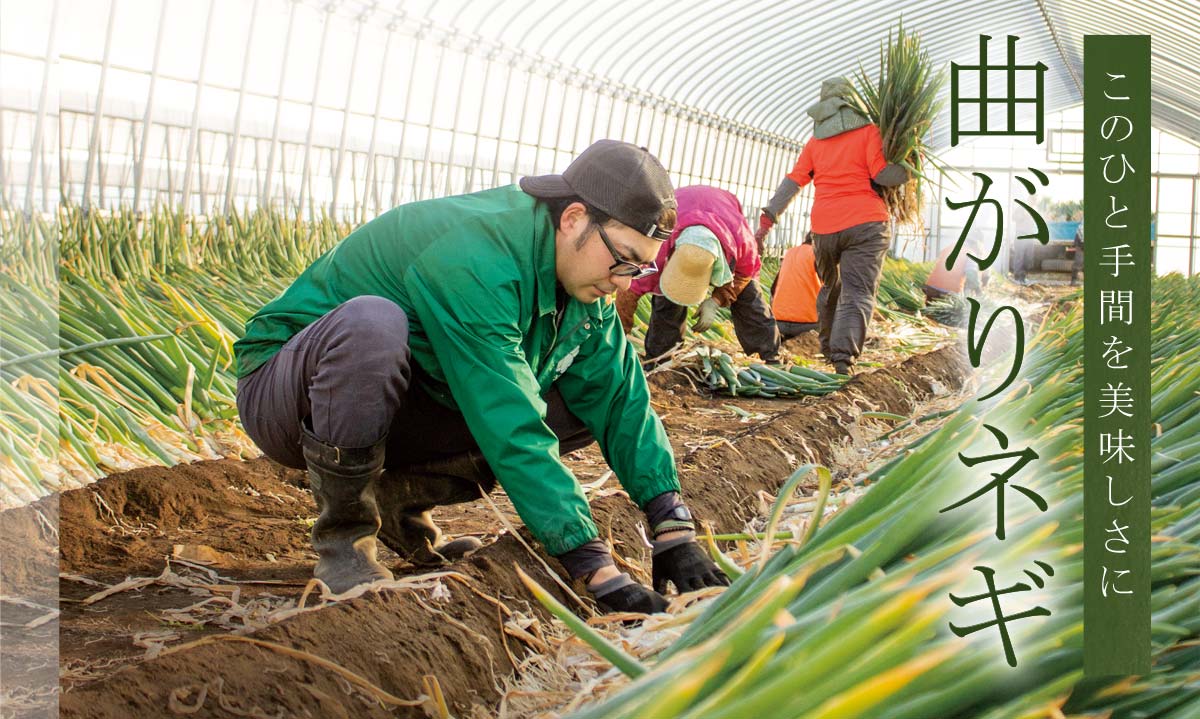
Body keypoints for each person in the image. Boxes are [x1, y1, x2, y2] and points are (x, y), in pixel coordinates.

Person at [233, 140, 728, 613]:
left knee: (578, 404)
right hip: (291, 392)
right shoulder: (477, 256)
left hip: (406, 400)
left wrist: (671, 524)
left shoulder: (581, 281)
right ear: (574, 217)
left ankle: (399, 505)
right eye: (621, 258)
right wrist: (592, 563)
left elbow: (621, 401)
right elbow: (508, 415)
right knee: (373, 326)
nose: (623, 281)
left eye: (638, 268)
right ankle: (345, 543)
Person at [754, 77, 908, 376]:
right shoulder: (868, 132)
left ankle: (827, 348)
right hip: (866, 224)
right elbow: (882, 174)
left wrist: (766, 221)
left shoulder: (814, 143)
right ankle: (842, 360)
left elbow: (793, 182)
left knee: (831, 287)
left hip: (824, 229)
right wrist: (907, 168)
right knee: (858, 292)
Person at [614, 185, 781, 363]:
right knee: (667, 299)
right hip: (681, 207)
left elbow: (744, 275)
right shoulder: (657, 245)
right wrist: (617, 341)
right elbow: (629, 293)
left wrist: (716, 300)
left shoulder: (742, 242)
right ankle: (662, 358)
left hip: (724, 212)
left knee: (750, 299)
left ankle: (769, 358)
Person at [771, 233, 823, 338]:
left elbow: (773, 289)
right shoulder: (818, 254)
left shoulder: (790, 253)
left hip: (778, 323)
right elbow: (833, 288)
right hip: (809, 324)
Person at [1070, 221, 1084, 286]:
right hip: (1080, 245)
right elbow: (1078, 234)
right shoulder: (1081, 226)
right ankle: (1073, 281)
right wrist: (1077, 245)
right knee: (1078, 263)